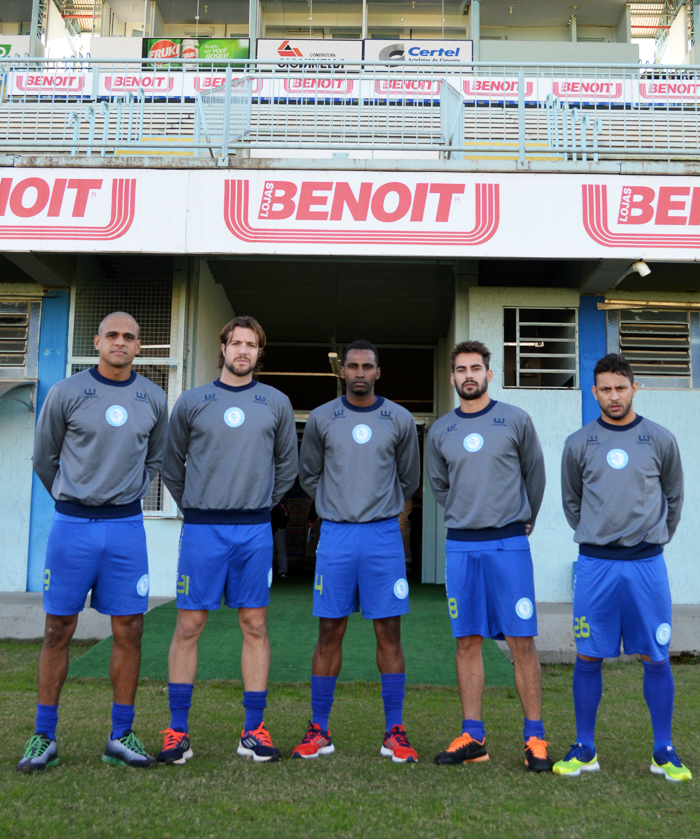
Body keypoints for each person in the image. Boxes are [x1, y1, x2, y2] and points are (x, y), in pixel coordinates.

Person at [18, 312, 168, 772]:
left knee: (130, 630)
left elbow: (156, 459)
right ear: (97, 342)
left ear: (139, 346)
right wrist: (76, 497)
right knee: (56, 628)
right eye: (112, 336)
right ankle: (44, 736)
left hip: (126, 529)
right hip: (72, 527)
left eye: (129, 337)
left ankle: (121, 735)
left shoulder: (154, 397)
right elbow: (45, 458)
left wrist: (118, 498)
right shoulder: (65, 392)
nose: (120, 343)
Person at [158, 316, 297, 766]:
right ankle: (176, 732)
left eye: (251, 344)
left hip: (254, 531)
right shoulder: (193, 401)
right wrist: (198, 504)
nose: (243, 351)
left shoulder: (275, 402)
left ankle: (253, 730)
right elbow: (171, 462)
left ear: (260, 352)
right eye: (235, 342)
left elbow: (287, 468)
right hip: (202, 530)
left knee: (255, 626)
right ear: (222, 348)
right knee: (189, 626)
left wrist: (256, 503)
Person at [554, 353, 691, 782]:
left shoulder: (660, 439)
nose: (613, 396)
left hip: (647, 565)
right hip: (595, 565)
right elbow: (571, 503)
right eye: (605, 389)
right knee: (588, 656)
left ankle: (663, 750)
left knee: (656, 656)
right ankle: (585, 748)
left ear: (635, 388)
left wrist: (651, 537)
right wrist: (600, 534)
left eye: (620, 388)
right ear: (593, 392)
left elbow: (674, 499)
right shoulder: (579, 442)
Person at [427, 340, 552, 772]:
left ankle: (535, 737)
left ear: (489, 374)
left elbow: (535, 475)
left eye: (475, 368)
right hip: (462, 545)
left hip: (508, 544)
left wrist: (522, 518)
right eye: (460, 369)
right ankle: (473, 737)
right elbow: (440, 487)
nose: (468, 375)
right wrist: (469, 511)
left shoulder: (515, 419)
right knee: (466, 641)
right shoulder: (441, 430)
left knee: (521, 641)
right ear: (452, 377)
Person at [293, 339, 420, 763]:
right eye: (353, 366)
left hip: (384, 536)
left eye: (368, 366)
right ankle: (319, 729)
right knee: (330, 630)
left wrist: (376, 508)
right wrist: (339, 502)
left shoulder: (399, 418)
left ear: (378, 372)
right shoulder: (322, 418)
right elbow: (308, 473)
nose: (360, 372)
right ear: (342, 371)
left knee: (389, 630)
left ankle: (395, 731)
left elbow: (409, 479)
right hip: (337, 535)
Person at [271, 498, 290, 579]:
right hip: (267, 528)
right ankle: (265, 571)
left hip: (278, 528)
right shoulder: (264, 499)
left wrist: (281, 526)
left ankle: (283, 571)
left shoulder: (279, 500)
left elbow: (285, 513)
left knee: (281, 549)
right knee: (265, 550)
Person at [407, 495, 423, 572]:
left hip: (415, 531)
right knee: (416, 548)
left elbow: (409, 517)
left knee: (414, 548)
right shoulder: (420, 509)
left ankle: (415, 564)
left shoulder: (416, 509)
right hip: (418, 531)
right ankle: (416, 563)